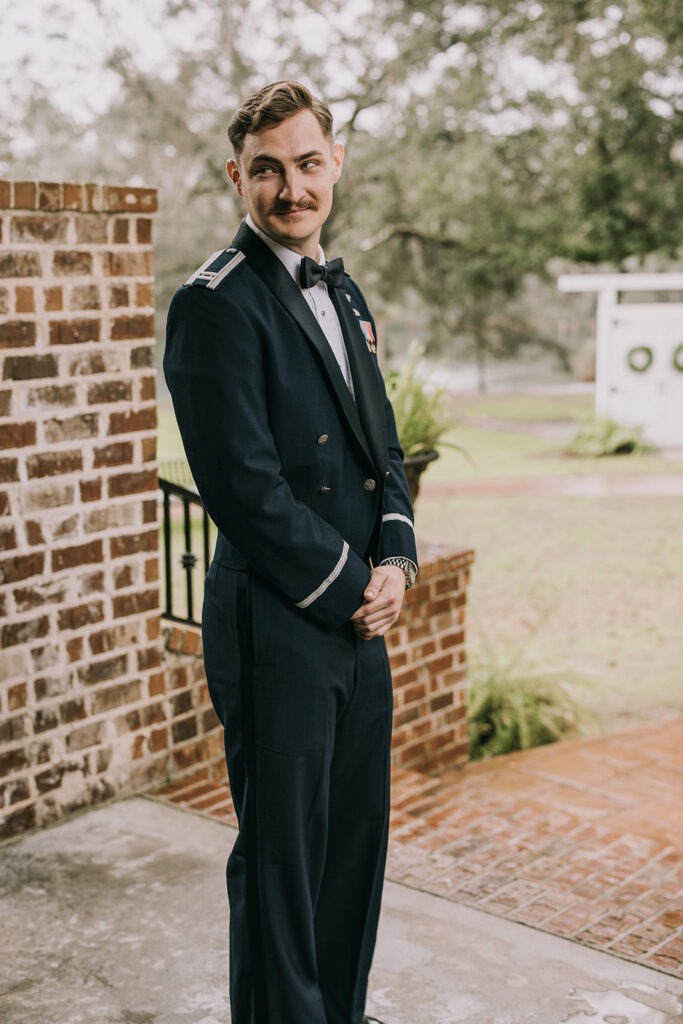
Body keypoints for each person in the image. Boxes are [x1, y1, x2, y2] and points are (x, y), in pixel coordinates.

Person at [163, 80, 418, 1024]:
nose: (290, 188)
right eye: (266, 170)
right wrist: (356, 584)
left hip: (360, 618)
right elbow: (244, 488)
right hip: (279, 619)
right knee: (281, 867)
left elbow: (381, 450)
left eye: (307, 164)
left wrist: (395, 563)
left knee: (354, 848)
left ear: (334, 164)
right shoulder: (212, 306)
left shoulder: (342, 291)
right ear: (238, 177)